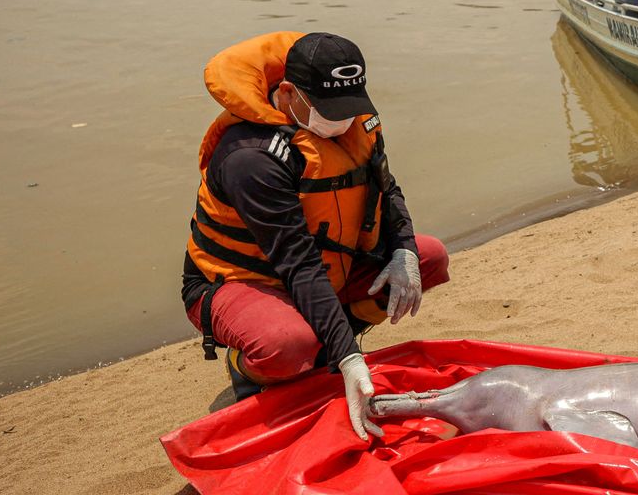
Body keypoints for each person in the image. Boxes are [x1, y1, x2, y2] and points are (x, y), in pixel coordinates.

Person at [181, 31, 450, 440]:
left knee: (429, 257)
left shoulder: (358, 125)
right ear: (288, 92)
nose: (341, 120)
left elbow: (387, 190)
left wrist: (404, 252)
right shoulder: (250, 158)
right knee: (286, 346)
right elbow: (298, 263)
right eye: (329, 109)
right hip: (246, 280)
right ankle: (246, 365)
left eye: (349, 107)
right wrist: (350, 358)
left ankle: (323, 342)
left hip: (329, 268)